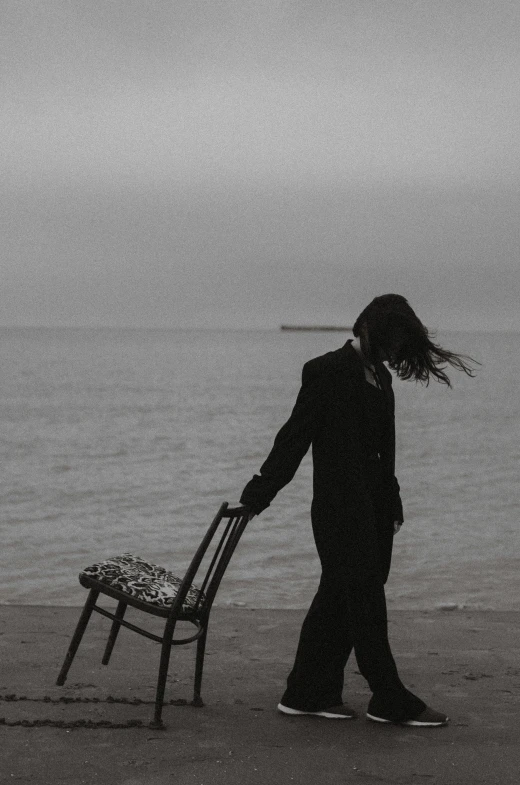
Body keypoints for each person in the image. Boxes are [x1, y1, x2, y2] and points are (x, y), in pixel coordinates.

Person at [239, 294, 477, 727]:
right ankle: (388, 696)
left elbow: (384, 451)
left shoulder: (381, 379)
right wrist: (258, 495)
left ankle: (307, 692)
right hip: (337, 512)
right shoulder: (326, 371)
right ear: (366, 327)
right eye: (390, 340)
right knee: (366, 602)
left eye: (401, 344)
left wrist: (394, 501)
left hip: (375, 512)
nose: (395, 351)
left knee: (336, 601)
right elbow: (294, 437)